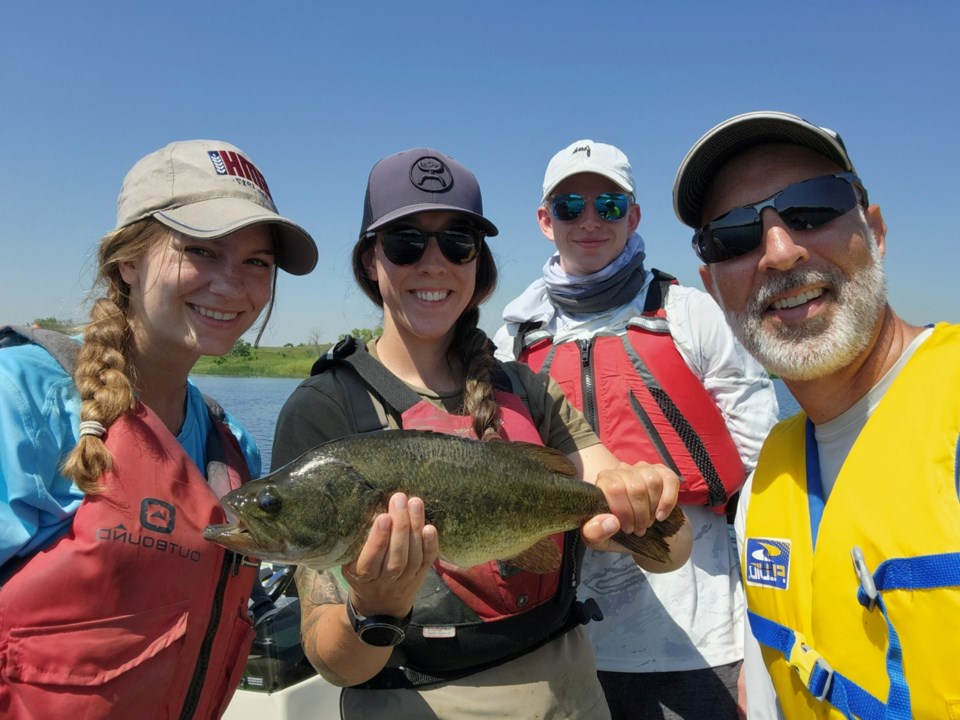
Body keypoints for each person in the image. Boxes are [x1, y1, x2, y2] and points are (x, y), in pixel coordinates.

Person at [270, 146, 693, 719]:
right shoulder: (324, 409)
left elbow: (668, 553)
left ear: (478, 263)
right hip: (416, 698)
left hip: (568, 690)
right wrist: (374, 610)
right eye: (405, 243)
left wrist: (651, 502)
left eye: (458, 242)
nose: (433, 262)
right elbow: (334, 662)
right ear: (372, 260)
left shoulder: (527, 389)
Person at [0, 139, 318, 719]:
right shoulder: (20, 399)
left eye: (257, 262)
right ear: (128, 259)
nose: (232, 283)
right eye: (201, 250)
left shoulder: (233, 451)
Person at [673, 110, 960, 720]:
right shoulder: (762, 492)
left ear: (875, 231)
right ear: (713, 285)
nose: (778, 250)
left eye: (812, 208)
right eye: (733, 235)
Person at [493, 139, 779, 719]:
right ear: (547, 221)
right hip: (562, 643)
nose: (590, 220)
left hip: (701, 644)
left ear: (635, 217)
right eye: (571, 207)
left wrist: (763, 642)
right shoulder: (513, 339)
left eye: (610, 205)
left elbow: (769, 485)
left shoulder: (691, 314)